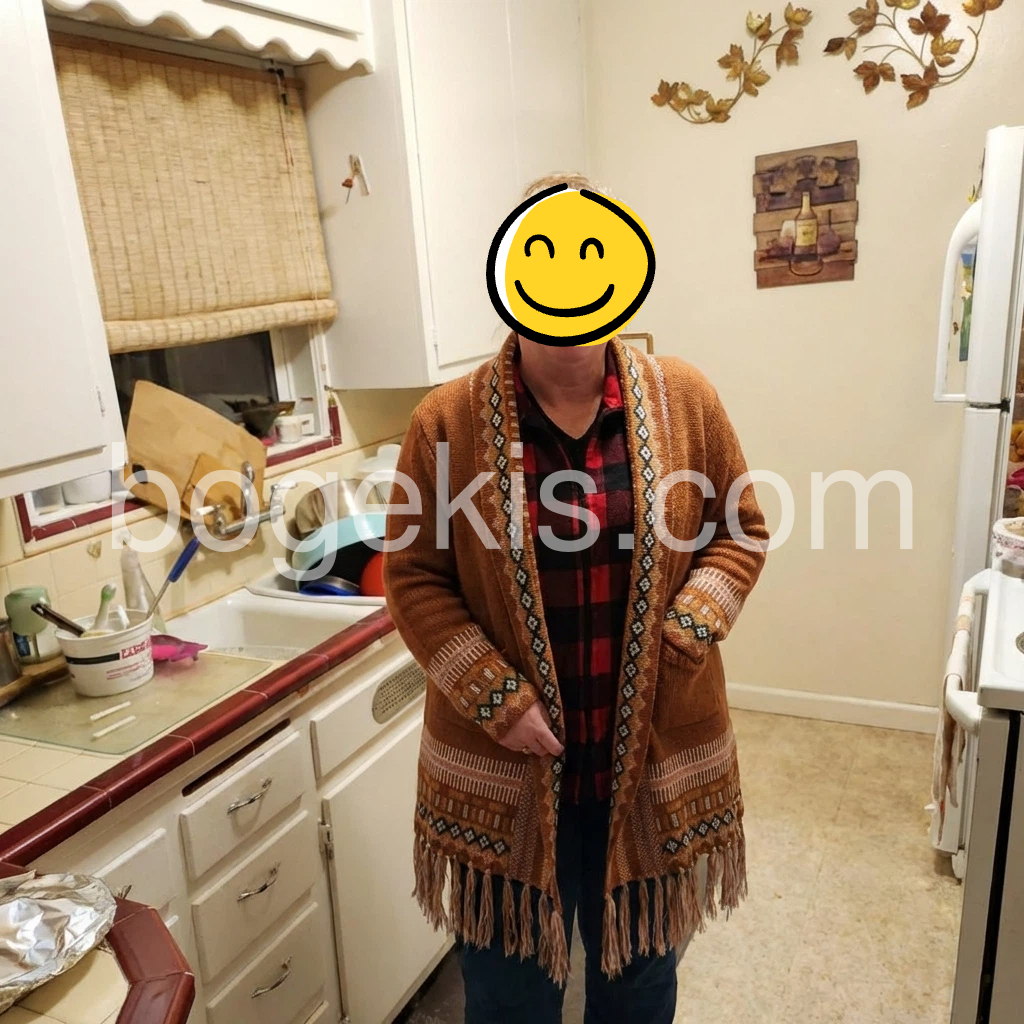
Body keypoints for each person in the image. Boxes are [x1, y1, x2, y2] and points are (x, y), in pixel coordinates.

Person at [383, 173, 768, 1024]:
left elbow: (740, 530)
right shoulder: (444, 422)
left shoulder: (685, 398)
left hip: (653, 757)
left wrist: (689, 626)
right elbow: (412, 576)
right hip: (506, 768)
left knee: (639, 984)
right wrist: (495, 697)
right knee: (509, 994)